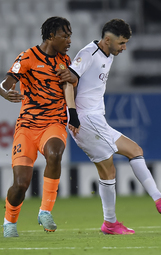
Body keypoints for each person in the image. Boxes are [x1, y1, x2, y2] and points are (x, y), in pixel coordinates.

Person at [60, 19, 161, 235]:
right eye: (122, 43)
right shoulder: (89, 53)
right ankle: (117, 220)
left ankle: (149, 205)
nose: (124, 48)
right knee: (109, 169)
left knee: (134, 152)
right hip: (87, 120)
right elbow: (69, 80)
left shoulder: (107, 54)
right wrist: (73, 115)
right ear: (108, 40)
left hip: (96, 120)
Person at [1, 16, 80, 237]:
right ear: (51, 36)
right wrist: (5, 93)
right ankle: (9, 222)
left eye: (70, 35)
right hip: (27, 127)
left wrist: (72, 110)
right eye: (65, 35)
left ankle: (45, 211)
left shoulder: (64, 60)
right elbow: (5, 83)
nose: (69, 40)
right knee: (21, 185)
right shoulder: (27, 57)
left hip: (53, 123)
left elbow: (70, 87)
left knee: (55, 153)